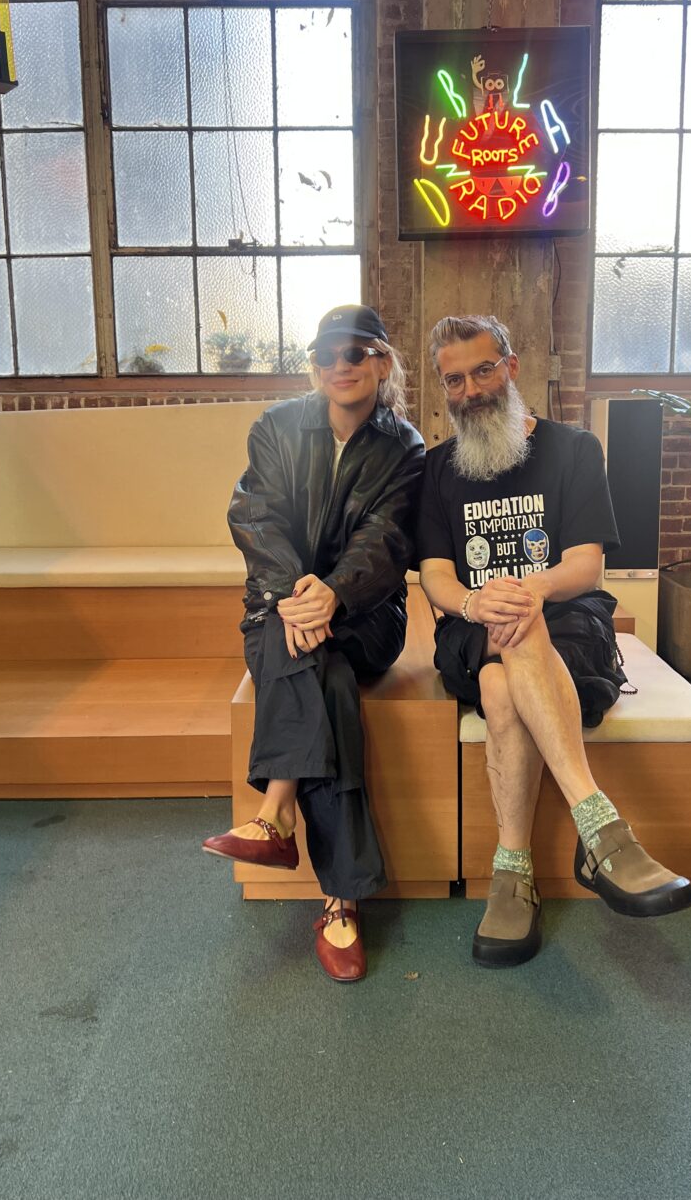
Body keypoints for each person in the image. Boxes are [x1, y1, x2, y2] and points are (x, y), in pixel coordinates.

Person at [416, 314, 691, 969]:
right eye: (454, 380)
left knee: (499, 678)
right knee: (503, 642)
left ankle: (512, 873)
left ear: (512, 367)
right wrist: (475, 601)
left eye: (484, 370)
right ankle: (601, 832)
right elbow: (435, 575)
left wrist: (525, 592)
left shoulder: (574, 449)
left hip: (566, 619)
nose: (470, 389)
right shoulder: (436, 469)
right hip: (472, 625)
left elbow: (585, 565)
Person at [202, 304, 425, 982]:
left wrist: (333, 594)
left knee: (316, 653)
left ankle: (274, 812)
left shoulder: (404, 447)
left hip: (366, 614)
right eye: (325, 354)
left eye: (354, 353)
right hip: (279, 607)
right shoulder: (275, 427)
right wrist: (296, 598)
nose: (338, 365)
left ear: (382, 362)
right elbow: (255, 518)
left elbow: (387, 538)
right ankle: (341, 902)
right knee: (324, 675)